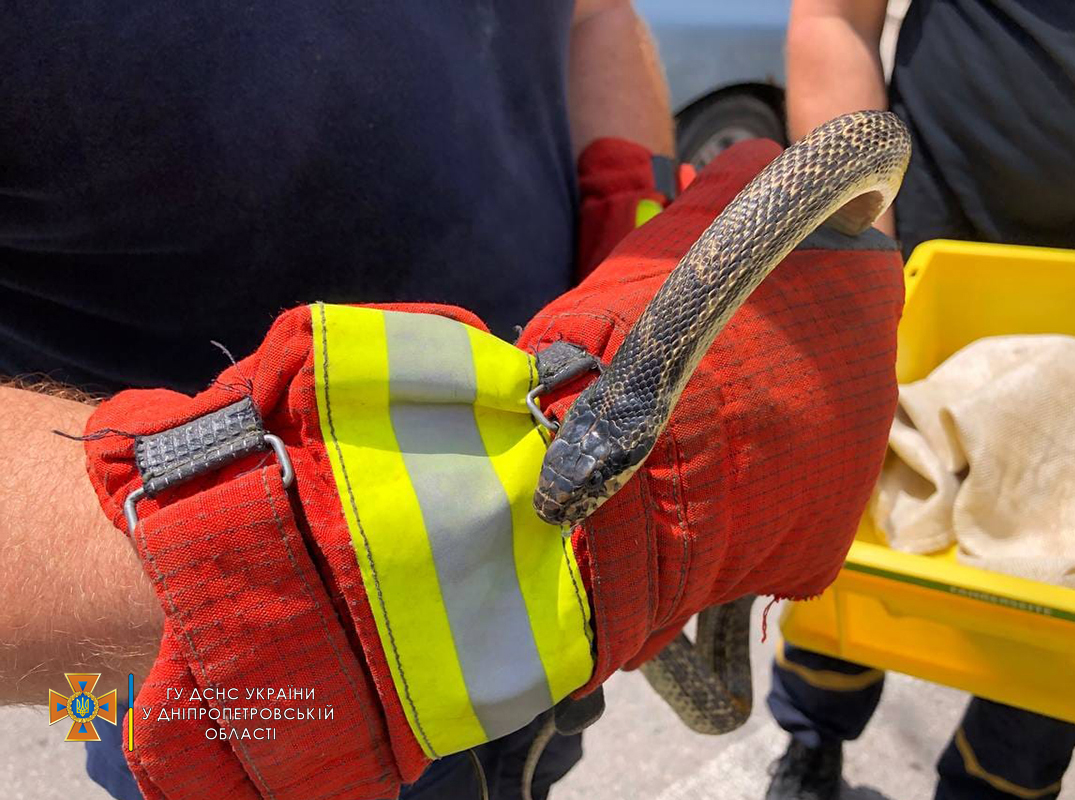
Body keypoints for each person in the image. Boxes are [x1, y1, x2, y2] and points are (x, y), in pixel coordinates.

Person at [3, 4, 909, 800]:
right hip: (211, 672)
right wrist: (274, 562)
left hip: (563, 619)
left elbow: (595, 16)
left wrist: (625, 207)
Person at [768, 1, 1075, 799]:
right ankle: (810, 740)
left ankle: (989, 788)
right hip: (934, 273)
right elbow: (834, 18)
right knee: (850, 553)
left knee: (1069, 621)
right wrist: (856, 264)